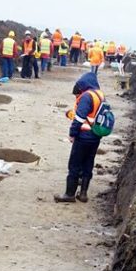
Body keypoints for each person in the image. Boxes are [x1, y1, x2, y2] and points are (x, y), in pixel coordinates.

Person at [54, 72, 105, 203]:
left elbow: (79, 118)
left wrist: (72, 133)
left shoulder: (87, 96)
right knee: (88, 163)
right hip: (95, 135)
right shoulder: (99, 94)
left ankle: (69, 194)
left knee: (74, 165)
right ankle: (83, 194)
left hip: (83, 136)